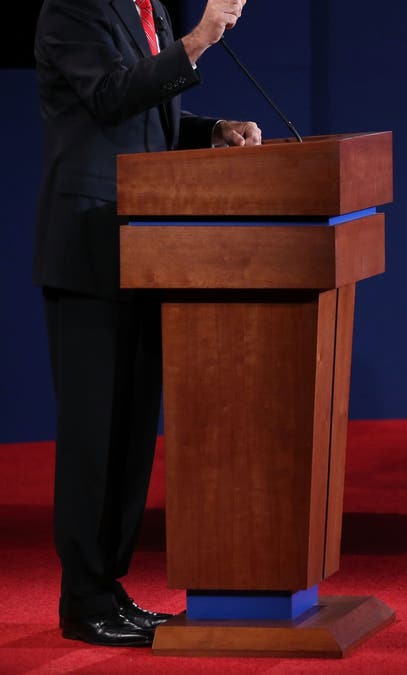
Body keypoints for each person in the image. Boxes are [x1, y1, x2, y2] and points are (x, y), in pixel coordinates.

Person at [34, 0, 262, 648]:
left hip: (145, 244)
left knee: (132, 433)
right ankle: (82, 597)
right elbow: (107, 98)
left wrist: (210, 130)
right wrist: (196, 42)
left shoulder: (150, 9)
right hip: (86, 248)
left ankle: (110, 587)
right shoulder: (69, 8)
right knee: (92, 437)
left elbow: (148, 118)